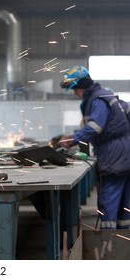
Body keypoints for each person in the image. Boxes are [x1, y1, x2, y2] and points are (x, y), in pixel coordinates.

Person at [59, 65, 130, 230]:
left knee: (109, 199)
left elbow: (95, 126)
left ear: (81, 86)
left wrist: (73, 139)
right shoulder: (106, 95)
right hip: (124, 153)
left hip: (114, 157)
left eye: (75, 89)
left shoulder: (97, 99)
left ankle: (107, 244)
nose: (75, 93)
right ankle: (123, 244)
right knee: (125, 205)